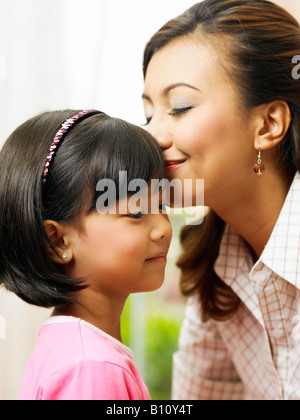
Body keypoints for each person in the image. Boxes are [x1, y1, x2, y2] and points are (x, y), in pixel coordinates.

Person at [142, 0, 300, 400]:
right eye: (148, 114)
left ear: (268, 124)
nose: (151, 135)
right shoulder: (216, 263)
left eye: (179, 107)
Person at [0, 109, 172, 400]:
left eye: (163, 206)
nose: (163, 229)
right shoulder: (91, 367)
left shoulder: (76, 350)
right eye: (136, 212)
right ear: (57, 242)